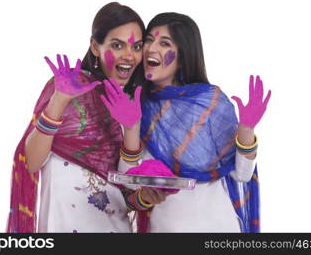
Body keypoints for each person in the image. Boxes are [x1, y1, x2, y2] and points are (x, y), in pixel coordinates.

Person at [101, 12, 271, 232]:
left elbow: (242, 175)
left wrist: (246, 129)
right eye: (149, 41)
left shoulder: (210, 103)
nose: (151, 49)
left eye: (164, 43)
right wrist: (131, 128)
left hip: (218, 226)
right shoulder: (136, 104)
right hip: (166, 227)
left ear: (183, 55)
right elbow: (127, 181)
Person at [6, 2, 145, 233]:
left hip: (113, 227)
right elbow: (31, 162)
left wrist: (131, 129)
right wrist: (59, 101)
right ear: (94, 46)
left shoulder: (131, 102)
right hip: (65, 224)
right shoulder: (68, 88)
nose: (129, 56)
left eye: (137, 46)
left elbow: (126, 189)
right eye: (117, 45)